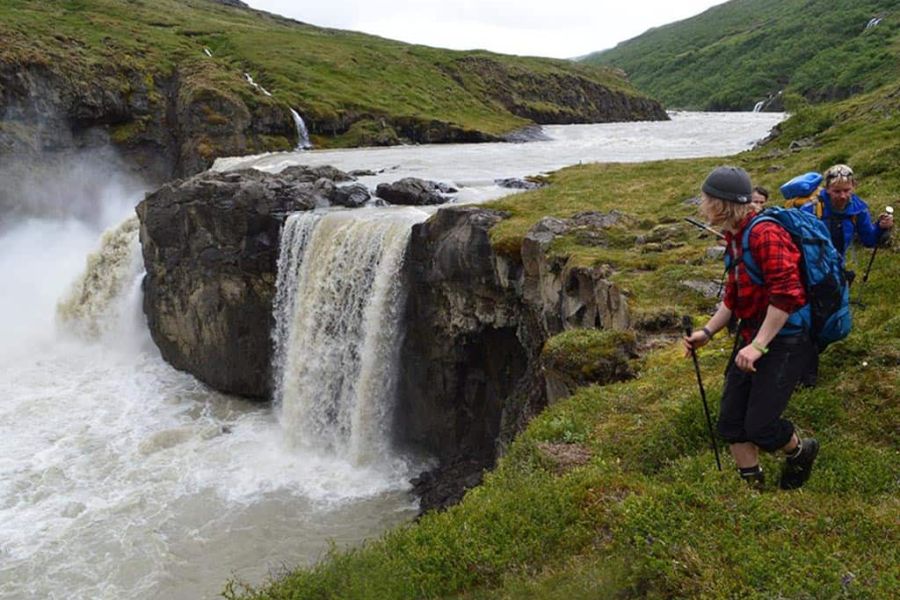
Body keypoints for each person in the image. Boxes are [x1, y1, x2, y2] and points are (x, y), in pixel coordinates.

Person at [684, 166, 818, 490]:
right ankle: (752, 492)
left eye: (705, 199)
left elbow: (787, 294)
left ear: (720, 204)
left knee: (761, 426)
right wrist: (707, 332)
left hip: (785, 339)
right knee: (731, 422)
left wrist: (758, 346)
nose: (702, 205)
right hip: (752, 335)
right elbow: (733, 296)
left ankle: (801, 452)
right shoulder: (736, 235)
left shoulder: (763, 234)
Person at [801, 164, 893, 267]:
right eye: (837, 191)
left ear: (854, 186)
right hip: (810, 267)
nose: (843, 196)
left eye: (846, 190)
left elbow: (869, 240)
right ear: (827, 189)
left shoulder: (859, 210)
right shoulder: (811, 209)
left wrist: (880, 227)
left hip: (838, 267)